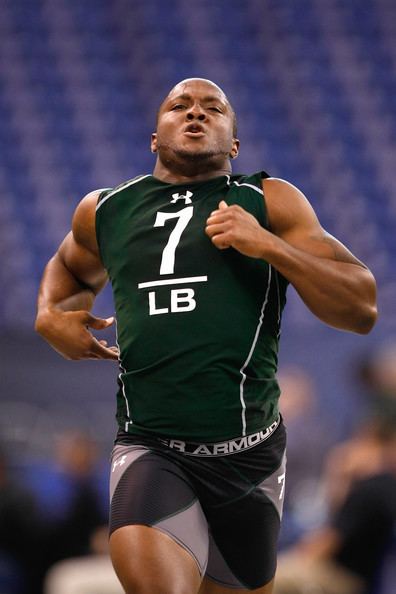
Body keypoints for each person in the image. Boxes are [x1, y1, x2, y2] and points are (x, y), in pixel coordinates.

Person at [35, 78, 377, 594]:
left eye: (213, 108)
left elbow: (361, 308)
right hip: (151, 448)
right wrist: (50, 316)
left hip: (250, 457)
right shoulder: (106, 210)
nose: (196, 113)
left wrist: (269, 247)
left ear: (233, 145)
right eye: (180, 106)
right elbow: (67, 272)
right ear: (155, 137)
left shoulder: (268, 201)